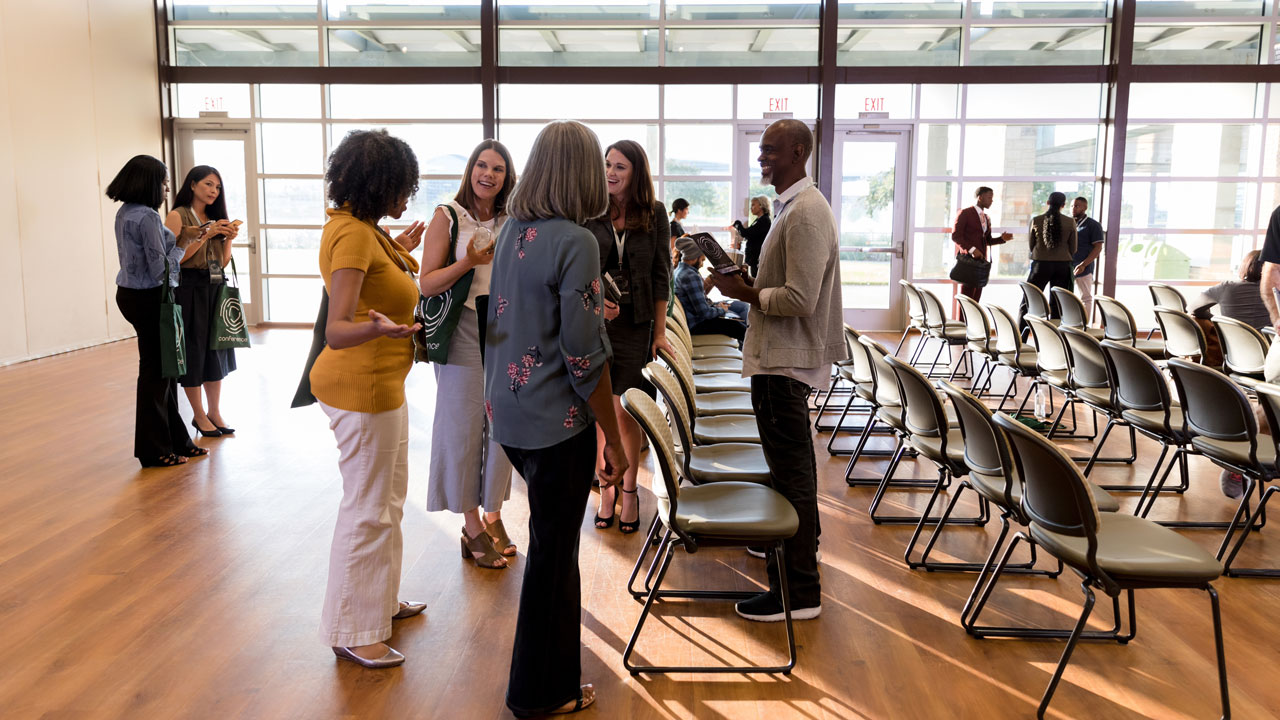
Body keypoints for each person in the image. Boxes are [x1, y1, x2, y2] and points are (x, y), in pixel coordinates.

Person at [483, 119, 628, 719]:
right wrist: (613, 439)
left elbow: (522, 318)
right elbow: (583, 358)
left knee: (547, 549)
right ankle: (543, 692)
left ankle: (539, 684)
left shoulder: (515, 226)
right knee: (553, 556)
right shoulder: (577, 240)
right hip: (556, 421)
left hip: (511, 413)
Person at [709, 119, 846, 623]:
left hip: (785, 360)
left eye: (770, 150)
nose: (762, 158)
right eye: (761, 150)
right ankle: (793, 559)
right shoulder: (794, 207)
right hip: (779, 356)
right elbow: (785, 284)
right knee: (790, 472)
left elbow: (801, 299)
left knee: (792, 477)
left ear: (798, 151)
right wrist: (749, 282)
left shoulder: (806, 213)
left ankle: (798, 591)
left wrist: (746, 294)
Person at [310, 129, 428, 669]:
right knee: (368, 509)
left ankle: (376, 602)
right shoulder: (356, 236)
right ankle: (355, 630)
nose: (407, 196)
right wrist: (383, 329)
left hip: (383, 385)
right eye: (403, 186)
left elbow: (373, 282)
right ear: (379, 184)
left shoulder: (364, 230)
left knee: (387, 501)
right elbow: (338, 328)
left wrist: (398, 253)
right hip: (362, 388)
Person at [418, 140, 518, 569]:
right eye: (482, 165)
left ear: (506, 177)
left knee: (501, 428)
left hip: (505, 332)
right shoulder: (447, 216)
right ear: (470, 170)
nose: (488, 174)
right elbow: (426, 283)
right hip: (460, 332)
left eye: (498, 168)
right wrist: (469, 262)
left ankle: (493, 512)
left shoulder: (513, 220)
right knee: (463, 428)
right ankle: (472, 524)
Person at [583, 139, 672, 534]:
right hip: (596, 323)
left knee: (626, 408)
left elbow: (660, 274)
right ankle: (606, 488)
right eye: (607, 165)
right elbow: (581, 271)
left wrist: (660, 331)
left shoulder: (654, 212)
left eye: (620, 166)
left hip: (636, 327)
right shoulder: (591, 211)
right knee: (603, 408)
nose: (611, 173)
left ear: (636, 172)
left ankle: (631, 491)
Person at [107, 155, 209, 469]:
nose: (167, 188)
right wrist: (185, 242)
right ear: (151, 183)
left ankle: (177, 441)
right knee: (156, 373)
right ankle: (153, 451)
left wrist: (181, 240)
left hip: (131, 295)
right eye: (164, 182)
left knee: (163, 371)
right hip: (152, 297)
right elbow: (161, 268)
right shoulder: (148, 216)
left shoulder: (126, 212)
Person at [163, 166, 241, 438]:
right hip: (188, 287)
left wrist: (228, 239)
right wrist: (205, 234)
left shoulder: (216, 217)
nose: (213, 191)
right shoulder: (178, 216)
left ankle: (214, 411)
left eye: (217, 187)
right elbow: (175, 259)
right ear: (193, 185)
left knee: (215, 350)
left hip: (214, 286)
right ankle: (198, 414)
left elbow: (223, 261)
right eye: (208, 184)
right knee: (193, 351)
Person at [672, 236, 747, 343]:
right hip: (697, 325)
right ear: (693, 258)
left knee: (737, 320)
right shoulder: (690, 276)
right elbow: (705, 313)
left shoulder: (679, 271)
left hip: (692, 321)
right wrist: (722, 310)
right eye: (701, 260)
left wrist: (717, 307)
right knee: (738, 326)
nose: (702, 265)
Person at [1018, 191, 1078, 325]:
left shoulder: (1036, 220)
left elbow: (1031, 245)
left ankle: (1021, 338)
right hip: (1062, 266)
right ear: (1063, 205)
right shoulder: (1070, 222)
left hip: (1040, 266)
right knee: (1058, 303)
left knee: (1029, 301)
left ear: (1048, 203)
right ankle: (1055, 339)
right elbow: (1073, 248)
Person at [951, 186, 1013, 302]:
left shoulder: (986, 218)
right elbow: (956, 236)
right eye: (989, 197)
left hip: (980, 265)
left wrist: (1001, 239)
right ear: (980, 197)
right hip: (968, 263)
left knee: (975, 300)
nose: (992, 200)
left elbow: (987, 240)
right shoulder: (965, 213)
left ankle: (974, 320)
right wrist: (972, 250)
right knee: (966, 300)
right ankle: (962, 321)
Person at [1190, 250, 1269, 331]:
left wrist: (1216, 319)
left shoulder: (1226, 287)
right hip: (1269, 343)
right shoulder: (1275, 291)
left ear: (1245, 266)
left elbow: (1192, 308)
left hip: (1231, 342)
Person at [1070, 196, 1104, 317]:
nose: (1073, 208)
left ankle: (1084, 328)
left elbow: (1098, 247)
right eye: (1072, 206)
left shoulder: (1093, 225)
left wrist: (1084, 264)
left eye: (1077, 206)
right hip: (1068, 266)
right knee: (1066, 297)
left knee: (1085, 297)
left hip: (1083, 268)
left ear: (1085, 207)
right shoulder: (1070, 223)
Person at [732, 194, 773, 277]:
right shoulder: (759, 220)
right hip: (754, 258)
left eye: (753, 205)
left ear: (761, 205)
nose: (751, 208)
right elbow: (750, 235)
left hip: (758, 258)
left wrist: (737, 223)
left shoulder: (764, 221)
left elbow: (746, 233)